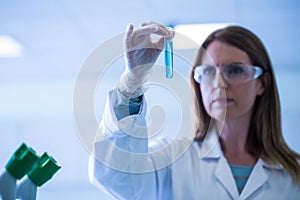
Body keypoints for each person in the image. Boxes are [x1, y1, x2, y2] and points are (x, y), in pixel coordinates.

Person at [89, 22, 300, 199]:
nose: (219, 83)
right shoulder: (175, 160)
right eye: (207, 71)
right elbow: (116, 176)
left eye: (234, 70)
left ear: (262, 83)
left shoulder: (294, 174)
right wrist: (132, 82)